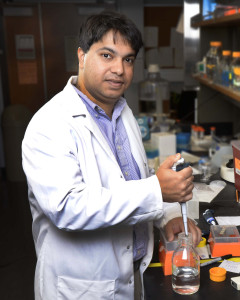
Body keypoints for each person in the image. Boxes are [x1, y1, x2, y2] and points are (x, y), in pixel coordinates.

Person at [22, 11, 201, 300]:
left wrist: (166, 216)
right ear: (81, 56)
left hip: (133, 274)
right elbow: (68, 206)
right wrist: (157, 191)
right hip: (83, 288)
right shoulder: (50, 123)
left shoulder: (122, 112)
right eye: (107, 55)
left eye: (128, 59)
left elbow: (134, 180)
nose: (119, 69)